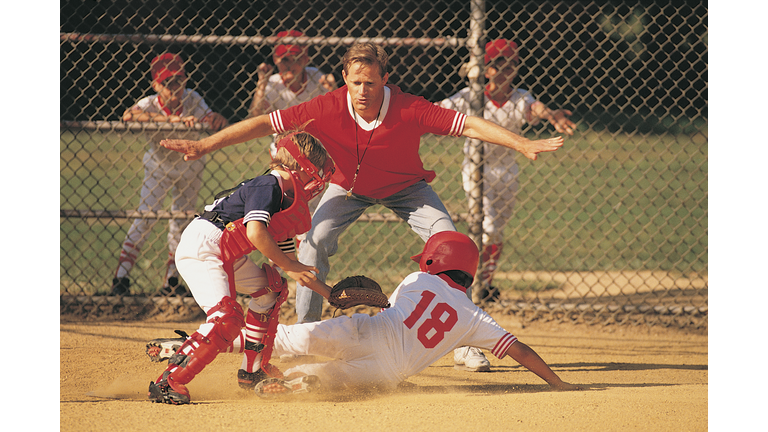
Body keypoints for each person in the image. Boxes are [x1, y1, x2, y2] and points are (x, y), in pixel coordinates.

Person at [159, 42, 565, 373]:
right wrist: (205, 144)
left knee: (449, 241)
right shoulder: (328, 106)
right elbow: (267, 123)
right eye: (355, 82)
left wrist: (521, 143)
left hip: (406, 187)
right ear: (345, 79)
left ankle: (462, 343)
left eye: (371, 82)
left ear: (385, 79)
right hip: (347, 188)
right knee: (313, 241)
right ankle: (305, 334)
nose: (363, 90)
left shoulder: (407, 107)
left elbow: (467, 124)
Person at [253, 231, 581, 395]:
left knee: (285, 338)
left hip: (368, 331)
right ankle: (299, 382)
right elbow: (519, 350)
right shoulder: (474, 317)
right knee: (324, 379)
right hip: (385, 373)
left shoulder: (417, 279)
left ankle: (232, 340)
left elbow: (388, 308)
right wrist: (557, 382)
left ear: (433, 261)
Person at [147, 129, 335, 405]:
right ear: (300, 166)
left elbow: (289, 263)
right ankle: (168, 380)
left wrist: (331, 294)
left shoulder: (284, 196)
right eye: (315, 173)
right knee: (227, 317)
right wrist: (290, 265)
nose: (317, 182)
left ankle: (253, 371)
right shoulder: (269, 185)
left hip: (226, 251)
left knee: (272, 290)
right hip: (204, 245)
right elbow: (256, 233)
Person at [437, 39, 576, 301]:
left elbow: (534, 108)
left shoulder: (520, 97)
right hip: (477, 171)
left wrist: (551, 115)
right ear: (485, 69)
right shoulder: (471, 96)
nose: (503, 71)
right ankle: (467, 284)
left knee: (497, 231)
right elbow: (438, 110)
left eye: (509, 65)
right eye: (496, 65)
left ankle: (484, 284)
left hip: (508, 172)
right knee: (487, 228)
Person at [112, 52, 229, 296]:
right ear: (156, 85)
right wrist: (171, 120)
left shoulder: (192, 98)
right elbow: (129, 114)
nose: (175, 87)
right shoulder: (150, 103)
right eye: (167, 82)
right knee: (145, 218)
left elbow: (207, 115)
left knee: (181, 220)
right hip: (159, 167)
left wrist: (214, 118)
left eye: (179, 80)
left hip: (190, 167)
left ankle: (171, 281)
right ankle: (121, 277)